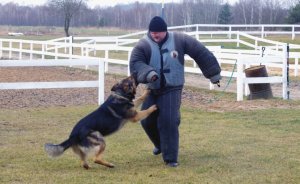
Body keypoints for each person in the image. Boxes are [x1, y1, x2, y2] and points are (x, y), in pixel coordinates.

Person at [129, 16, 221, 167]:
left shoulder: (180, 39)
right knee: (146, 120)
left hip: (173, 87)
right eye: (152, 33)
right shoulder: (142, 45)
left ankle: (170, 158)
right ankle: (160, 145)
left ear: (165, 31)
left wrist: (213, 74)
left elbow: (200, 52)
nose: (155, 35)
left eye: (158, 33)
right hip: (152, 89)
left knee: (168, 120)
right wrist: (148, 73)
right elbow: (136, 64)